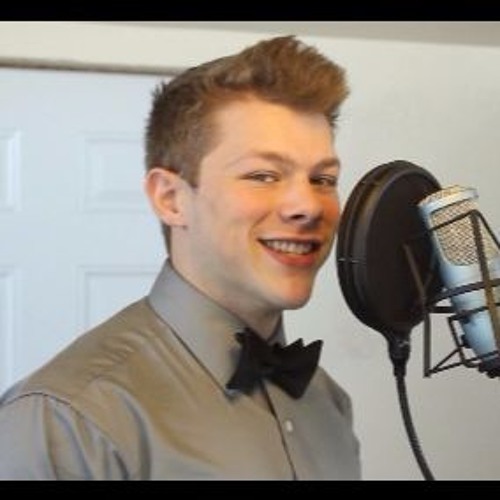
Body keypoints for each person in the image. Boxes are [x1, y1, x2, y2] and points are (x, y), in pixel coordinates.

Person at [0, 35, 361, 480]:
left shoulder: (328, 405)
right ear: (170, 198)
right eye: (263, 175)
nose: (307, 206)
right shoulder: (68, 421)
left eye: (323, 179)